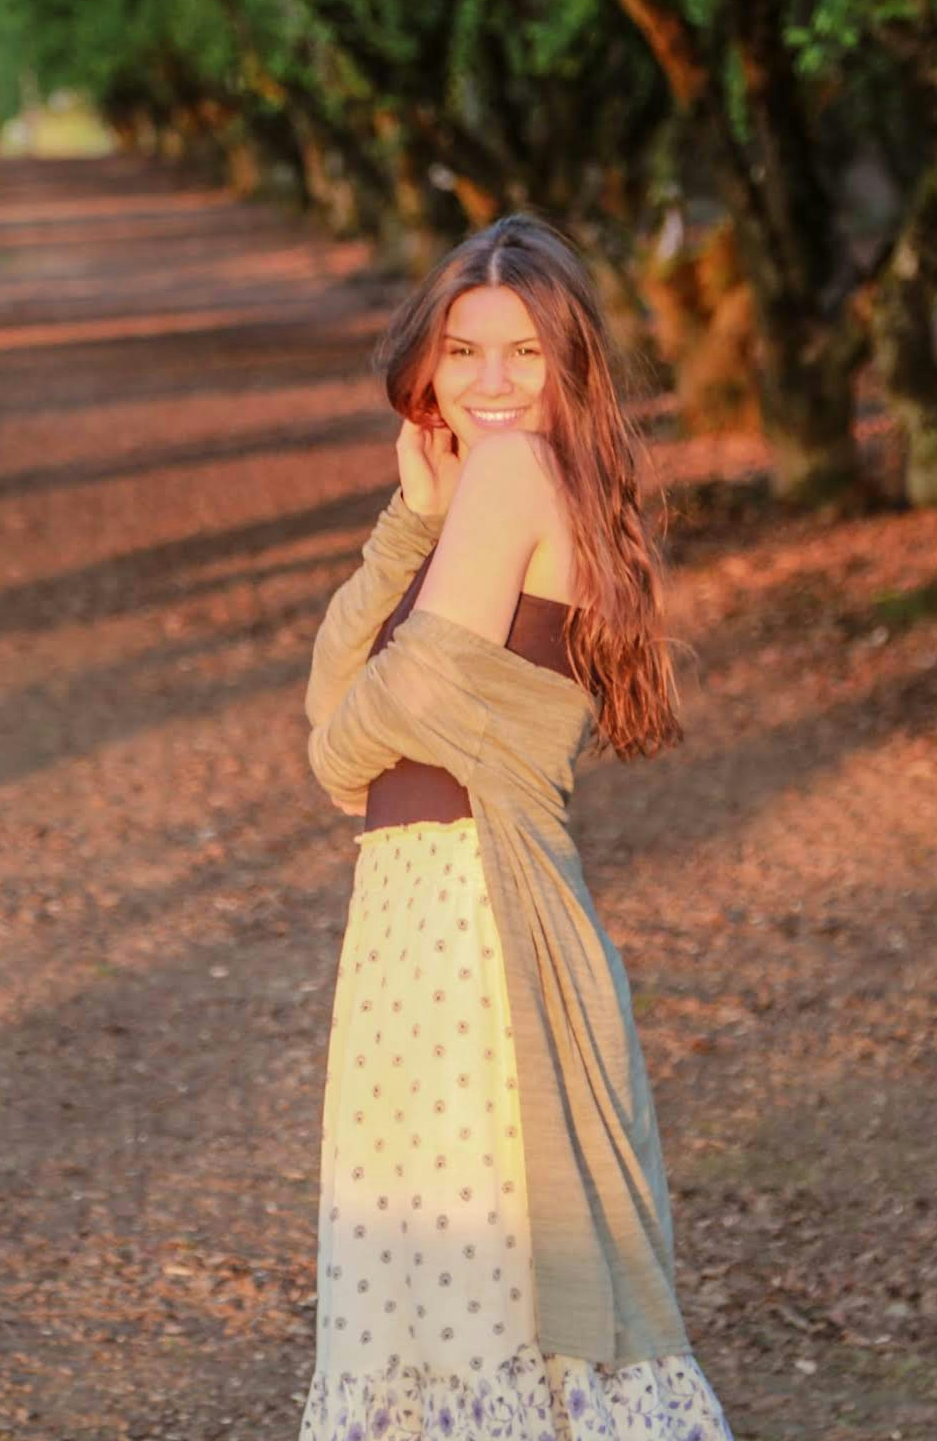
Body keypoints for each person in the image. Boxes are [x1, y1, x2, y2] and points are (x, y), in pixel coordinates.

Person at [297, 212, 734, 1439]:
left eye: (525, 354)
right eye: (463, 351)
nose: (491, 383)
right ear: (425, 368)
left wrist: (341, 753)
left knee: (463, 1279)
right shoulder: (531, 487)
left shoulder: (513, 474)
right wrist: (410, 521)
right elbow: (350, 684)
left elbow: (398, 701)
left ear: (570, 365)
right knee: (462, 1281)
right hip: (440, 904)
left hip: (461, 919)